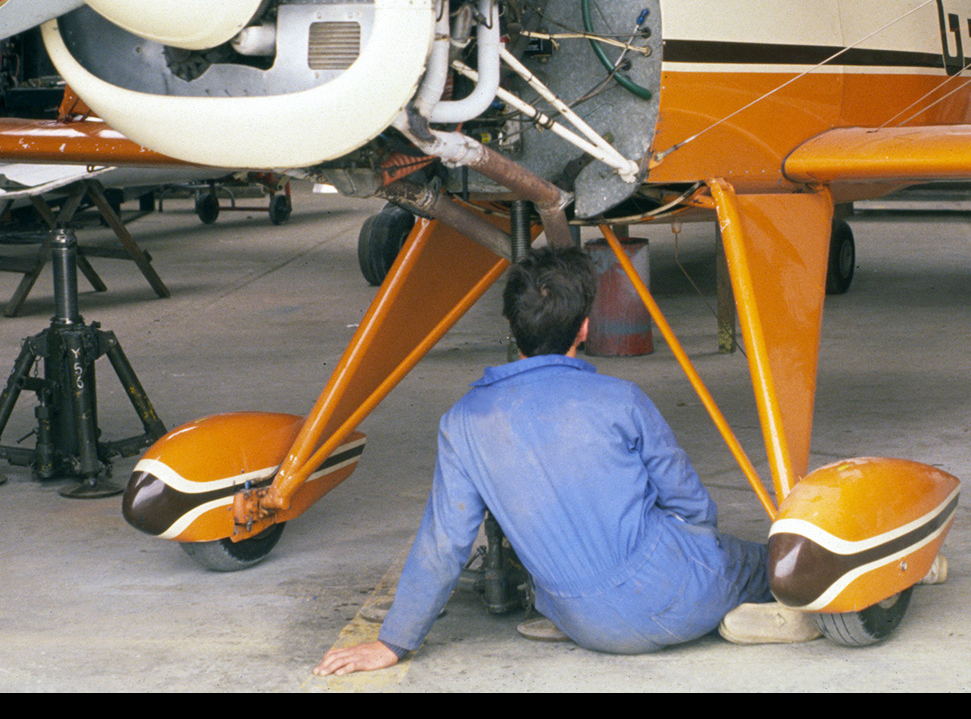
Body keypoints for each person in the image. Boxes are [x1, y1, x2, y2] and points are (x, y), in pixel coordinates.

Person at [314, 246, 808, 676]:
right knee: (767, 561)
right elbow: (694, 506)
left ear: (511, 326)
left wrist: (392, 641)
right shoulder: (621, 399)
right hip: (672, 594)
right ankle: (791, 616)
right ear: (586, 328)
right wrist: (697, 552)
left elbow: (444, 543)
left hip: (581, 623)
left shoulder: (462, 422)